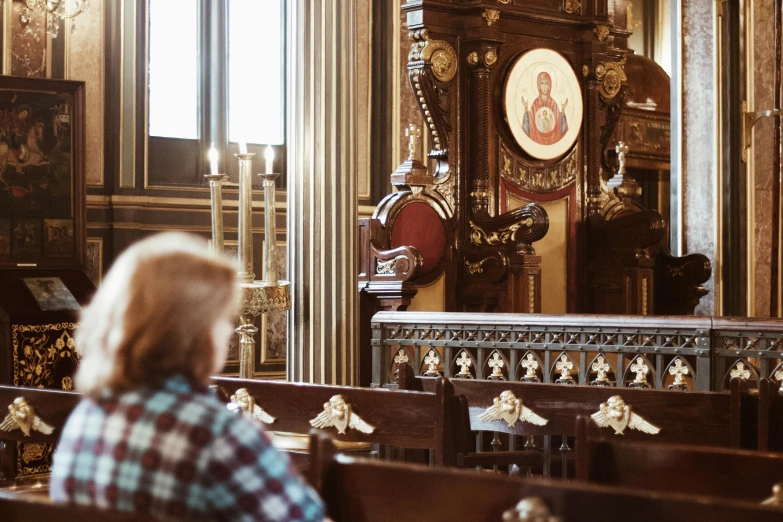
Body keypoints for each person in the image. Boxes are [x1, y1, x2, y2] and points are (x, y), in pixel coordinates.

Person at [50, 232, 325, 521]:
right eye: (221, 317)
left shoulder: (85, 419)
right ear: (192, 329)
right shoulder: (216, 434)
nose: (228, 331)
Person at [521, 71, 568, 146]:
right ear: (538, 86)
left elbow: (560, 129)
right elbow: (529, 128)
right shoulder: (535, 104)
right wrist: (526, 110)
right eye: (542, 83)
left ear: (549, 86)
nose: (544, 86)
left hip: (552, 140)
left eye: (546, 84)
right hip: (537, 139)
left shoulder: (553, 104)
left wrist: (563, 110)